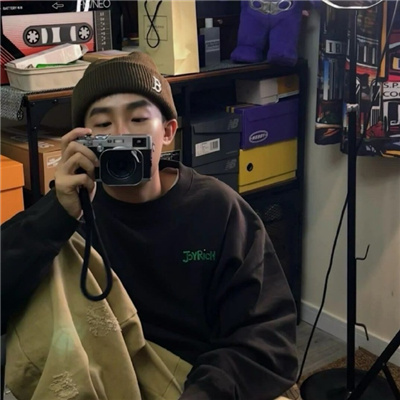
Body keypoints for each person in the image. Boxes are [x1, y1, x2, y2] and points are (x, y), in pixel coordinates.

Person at [1, 52, 298, 399]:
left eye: (139, 119)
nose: (121, 134)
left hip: (200, 383)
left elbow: (268, 336)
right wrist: (56, 213)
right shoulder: (69, 213)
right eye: (103, 125)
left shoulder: (218, 208)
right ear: (83, 140)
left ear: (169, 131)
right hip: (105, 382)